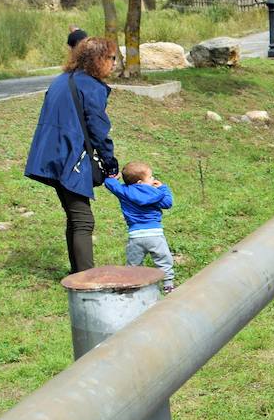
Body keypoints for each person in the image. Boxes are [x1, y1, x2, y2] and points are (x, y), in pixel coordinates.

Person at [24, 36, 120, 275]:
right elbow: (98, 130)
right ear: (97, 60)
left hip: (50, 155)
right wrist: (110, 164)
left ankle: (77, 273)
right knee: (83, 220)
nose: (115, 63)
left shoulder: (61, 80)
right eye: (111, 58)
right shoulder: (90, 86)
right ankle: (85, 279)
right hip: (68, 158)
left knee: (76, 217)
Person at [103, 161, 175, 293]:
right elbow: (168, 203)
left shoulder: (124, 191)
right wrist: (163, 187)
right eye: (150, 177)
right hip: (155, 234)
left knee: (133, 264)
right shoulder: (155, 193)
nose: (153, 179)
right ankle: (168, 284)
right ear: (140, 182)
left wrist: (113, 177)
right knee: (163, 259)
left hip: (135, 235)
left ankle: (133, 286)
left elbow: (110, 184)